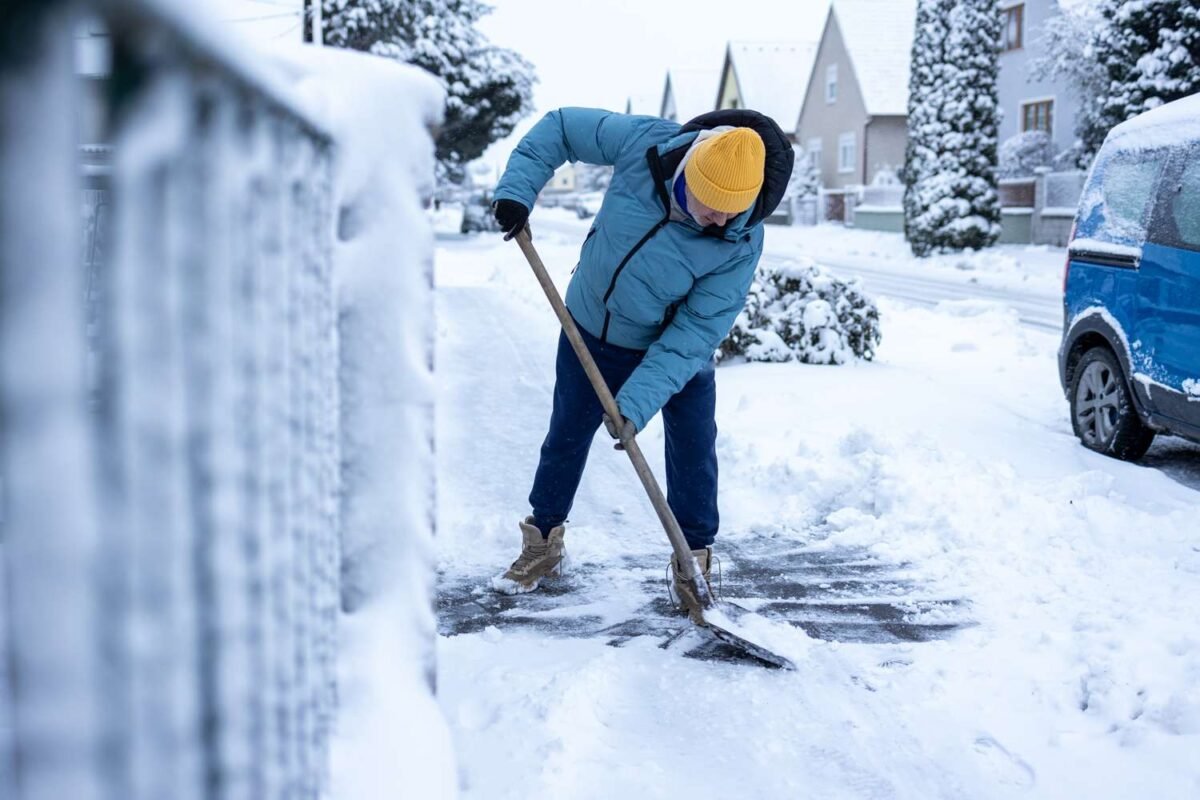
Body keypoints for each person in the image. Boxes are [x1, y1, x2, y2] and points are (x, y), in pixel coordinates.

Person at [489, 107, 792, 620]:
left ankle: (693, 562)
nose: (719, 221)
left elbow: (695, 332)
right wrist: (518, 190)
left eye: (731, 212)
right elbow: (561, 128)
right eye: (710, 206)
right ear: (688, 170)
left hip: (674, 349)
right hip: (589, 325)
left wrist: (636, 403)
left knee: (695, 449)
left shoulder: (741, 239)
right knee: (566, 433)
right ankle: (542, 543)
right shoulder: (646, 144)